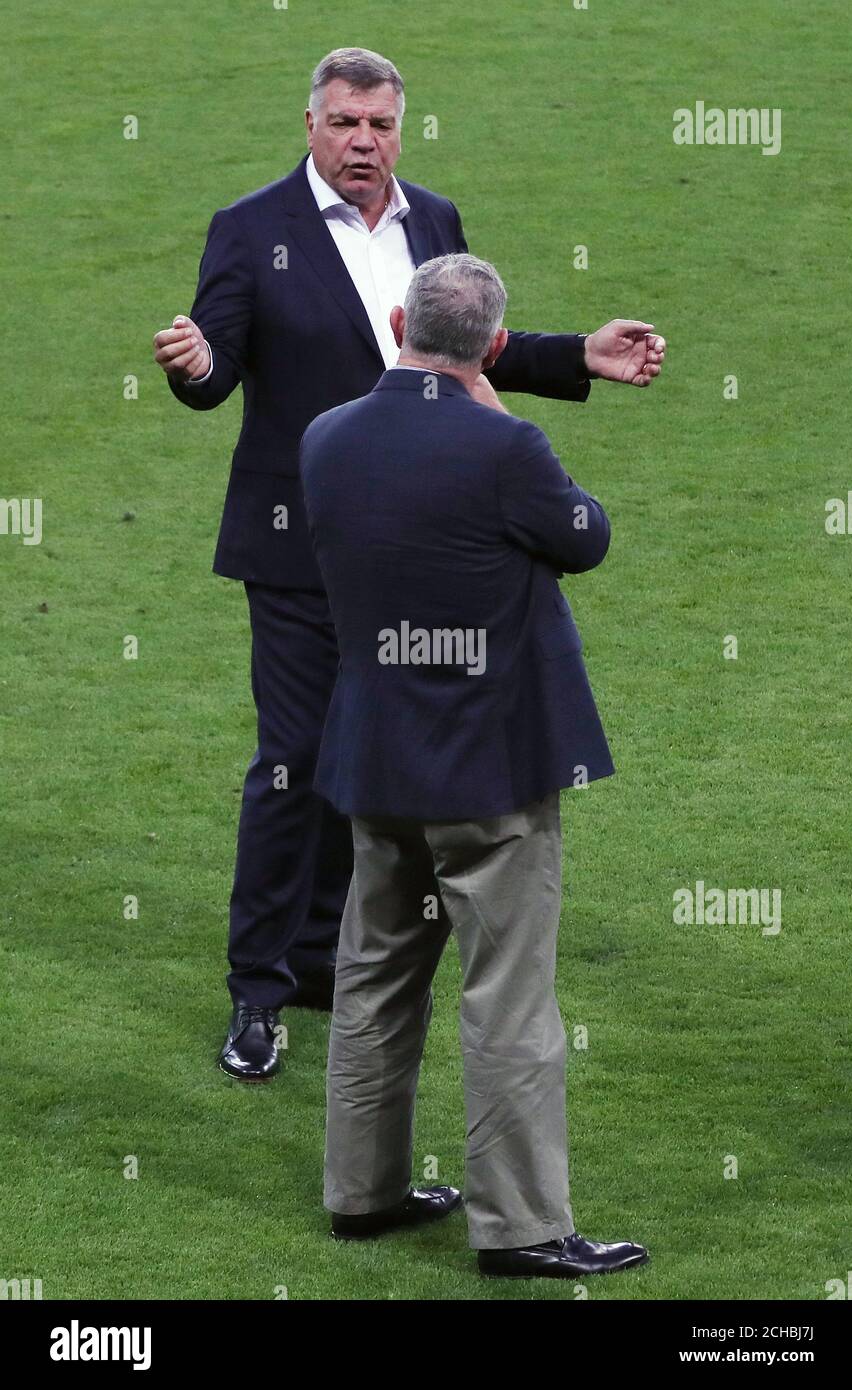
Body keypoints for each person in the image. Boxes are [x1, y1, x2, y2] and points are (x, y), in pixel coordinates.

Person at [152, 47, 665, 1083]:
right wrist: (200, 367)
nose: (362, 142)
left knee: (363, 761)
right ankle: (256, 992)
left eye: (380, 125)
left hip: (414, 547)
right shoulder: (253, 232)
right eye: (344, 122)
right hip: (299, 548)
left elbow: (463, 344)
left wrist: (577, 356)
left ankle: (318, 961)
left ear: (402, 129)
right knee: (294, 760)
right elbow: (215, 358)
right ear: (309, 125)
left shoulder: (434, 219)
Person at [299, 253, 652, 1280]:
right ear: (493, 345)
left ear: (401, 317)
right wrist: (496, 410)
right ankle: (523, 1226)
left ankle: (362, 1195)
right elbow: (587, 536)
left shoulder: (327, 437)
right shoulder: (506, 447)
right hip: (489, 770)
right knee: (506, 996)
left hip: (373, 760)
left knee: (372, 980)